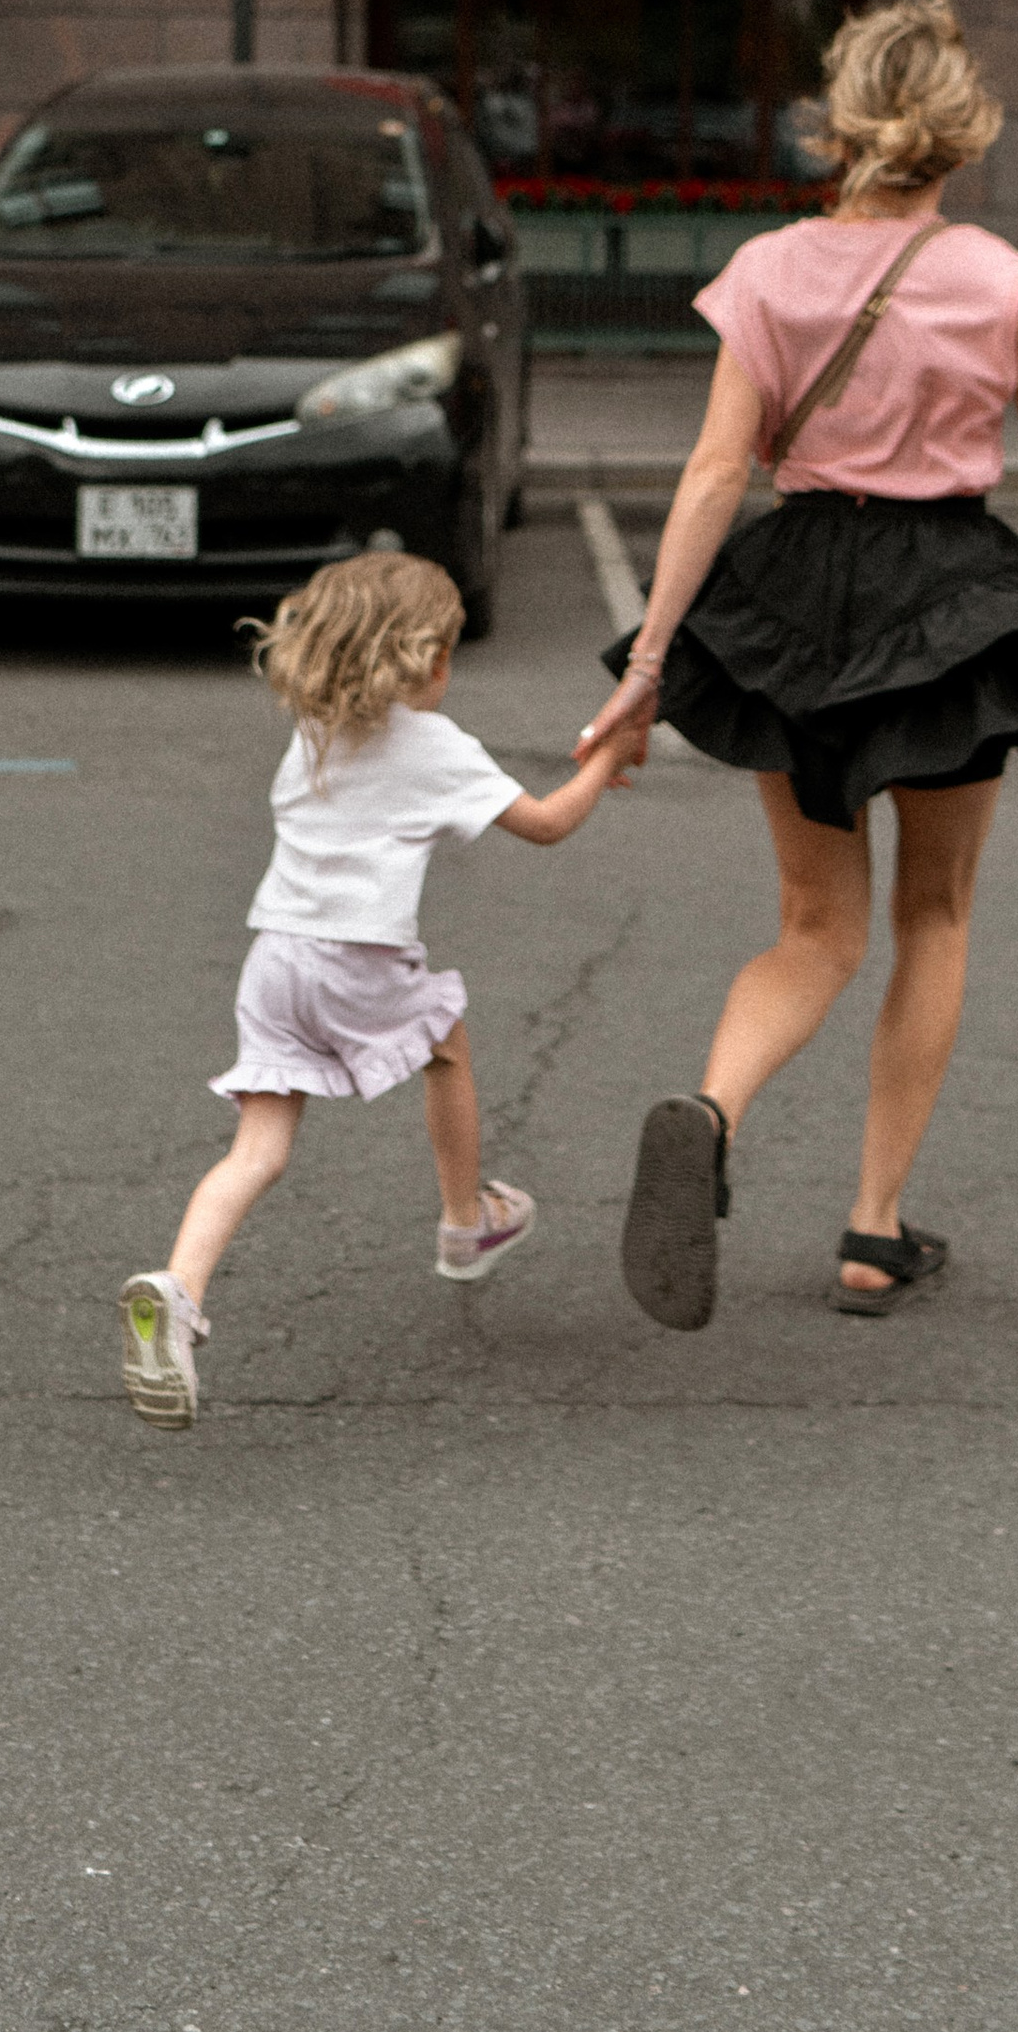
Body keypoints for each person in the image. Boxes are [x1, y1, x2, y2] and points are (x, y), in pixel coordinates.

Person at [580, 0, 1018, 1333]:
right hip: (950, 595)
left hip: (797, 585)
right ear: (960, 140)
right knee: (930, 914)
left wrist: (649, 662)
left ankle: (711, 1109)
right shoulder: (1005, 279)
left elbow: (716, 473)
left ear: (842, 127)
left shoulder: (763, 269)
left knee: (813, 927)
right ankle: (874, 1228)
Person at [121, 549, 638, 1427]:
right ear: (422, 659)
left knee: (257, 1151)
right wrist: (607, 760)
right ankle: (465, 1220)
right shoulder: (432, 744)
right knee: (447, 1041)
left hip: (275, 960)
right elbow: (545, 824)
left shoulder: (314, 727)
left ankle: (175, 1292)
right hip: (356, 960)